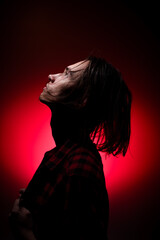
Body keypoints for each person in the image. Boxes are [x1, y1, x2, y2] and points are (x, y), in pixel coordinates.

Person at [9, 56, 132, 240]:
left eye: (67, 74)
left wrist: (23, 231)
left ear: (82, 99)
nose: (51, 75)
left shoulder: (79, 168)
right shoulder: (63, 155)